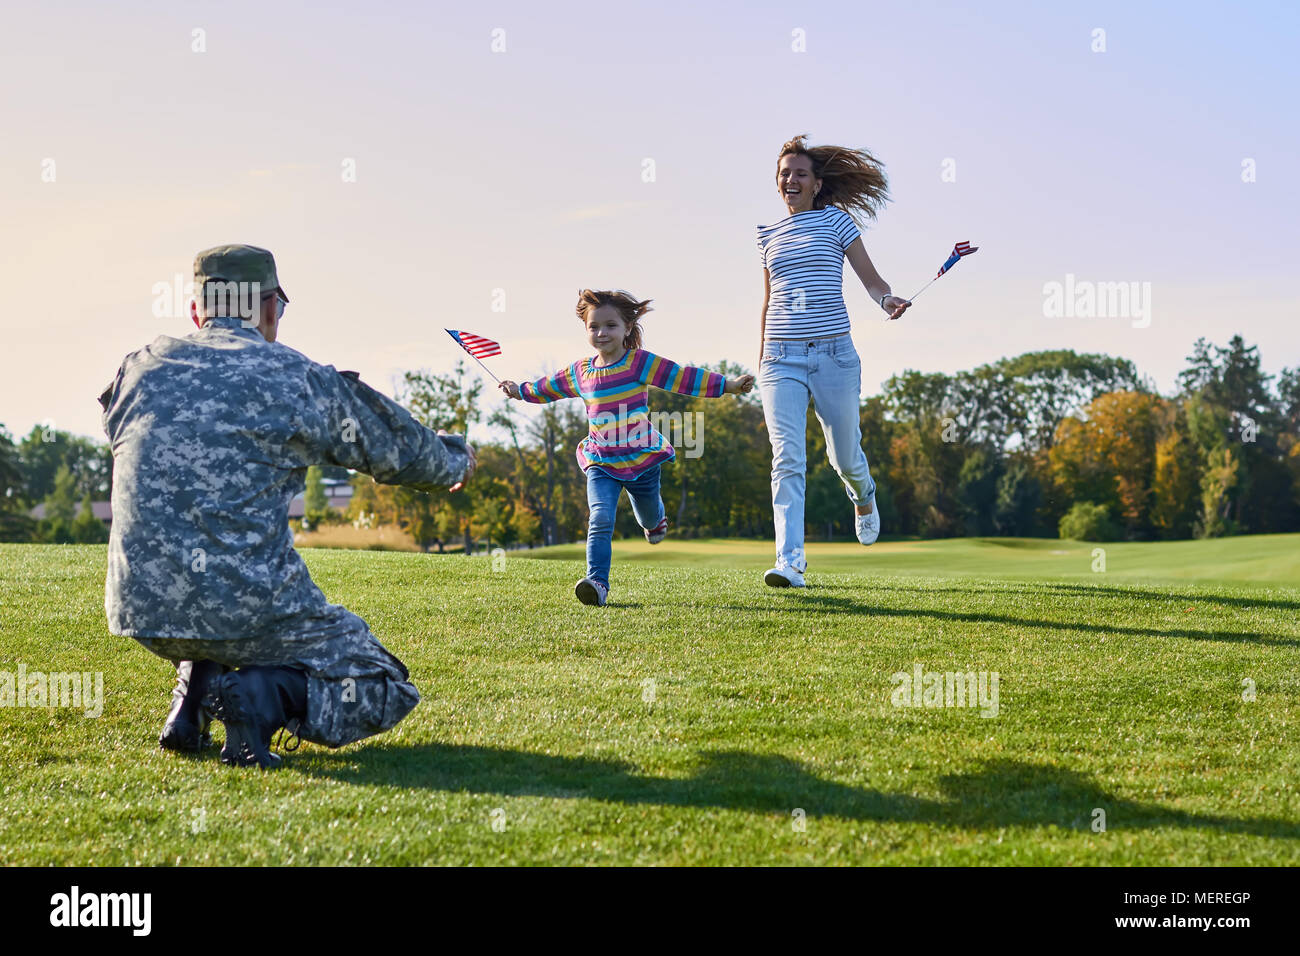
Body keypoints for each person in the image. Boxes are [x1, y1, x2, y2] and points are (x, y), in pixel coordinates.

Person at [100, 244, 476, 768]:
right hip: (246, 610)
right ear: (270, 306)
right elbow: (401, 452)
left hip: (139, 609)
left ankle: (191, 701)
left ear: (196, 311)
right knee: (383, 682)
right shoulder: (292, 378)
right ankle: (258, 699)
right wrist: (455, 459)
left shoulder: (135, 372)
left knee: (210, 553)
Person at [498, 289, 754, 606]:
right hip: (600, 461)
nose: (602, 332)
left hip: (642, 461)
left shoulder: (639, 363)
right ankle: (597, 584)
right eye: (594, 327)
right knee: (600, 517)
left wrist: (728, 385)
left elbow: (682, 377)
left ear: (627, 329)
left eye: (610, 325)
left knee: (648, 518)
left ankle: (655, 521)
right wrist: (519, 390)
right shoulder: (580, 371)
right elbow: (547, 387)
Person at [756, 134, 911, 588]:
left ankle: (863, 495)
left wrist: (886, 300)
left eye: (800, 173)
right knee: (786, 458)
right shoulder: (765, 236)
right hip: (779, 357)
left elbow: (871, 278)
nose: (791, 179)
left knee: (844, 457)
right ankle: (790, 561)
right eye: (784, 173)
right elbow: (768, 301)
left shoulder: (837, 224)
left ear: (817, 183)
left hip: (833, 355)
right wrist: (761, 354)